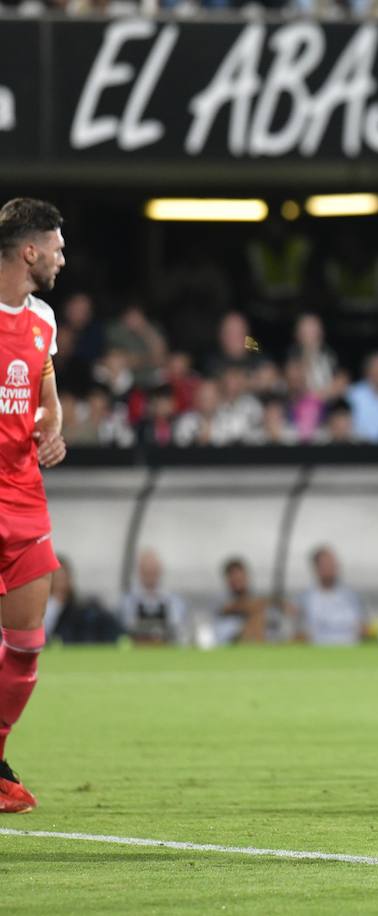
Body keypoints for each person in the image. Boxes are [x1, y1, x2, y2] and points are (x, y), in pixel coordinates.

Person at [0, 198, 69, 814]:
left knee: (25, 649)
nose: (61, 256)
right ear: (29, 252)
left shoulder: (43, 318)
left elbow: (46, 393)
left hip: (23, 498)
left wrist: (53, 424)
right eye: (55, 246)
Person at [118, 549, 188, 646]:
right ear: (140, 572)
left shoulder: (173, 600)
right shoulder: (128, 601)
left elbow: (177, 624)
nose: (150, 575)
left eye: (153, 571)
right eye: (146, 572)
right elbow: (126, 625)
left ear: (160, 571)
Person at [298, 546, 366, 646]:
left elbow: (363, 625)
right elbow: (300, 631)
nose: (331, 568)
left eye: (333, 564)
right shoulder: (305, 598)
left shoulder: (352, 596)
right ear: (316, 568)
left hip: (350, 649)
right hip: (318, 651)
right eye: (326, 564)